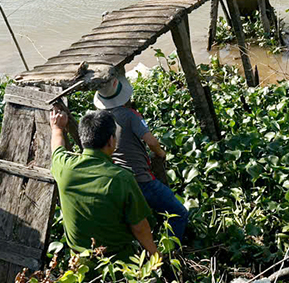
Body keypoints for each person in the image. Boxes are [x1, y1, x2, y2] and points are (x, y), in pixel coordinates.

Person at [49, 107, 157, 260]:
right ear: (111, 140)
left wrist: (57, 127)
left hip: (80, 265)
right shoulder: (122, 178)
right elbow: (140, 227)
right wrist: (156, 257)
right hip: (119, 263)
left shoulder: (65, 168)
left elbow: (57, 148)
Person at [93, 75, 190, 241]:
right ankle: (170, 252)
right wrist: (161, 154)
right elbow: (151, 141)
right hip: (141, 180)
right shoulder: (130, 115)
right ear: (124, 94)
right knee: (179, 213)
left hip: (116, 182)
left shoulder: (98, 118)